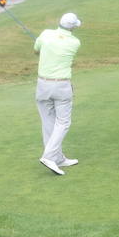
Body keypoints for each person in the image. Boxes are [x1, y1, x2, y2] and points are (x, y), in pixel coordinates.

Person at [33, 13, 82, 175]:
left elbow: (36, 50)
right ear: (73, 27)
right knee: (63, 123)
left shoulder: (46, 34)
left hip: (43, 85)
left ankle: (58, 158)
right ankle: (49, 156)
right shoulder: (75, 42)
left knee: (49, 122)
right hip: (61, 86)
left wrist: (43, 46)